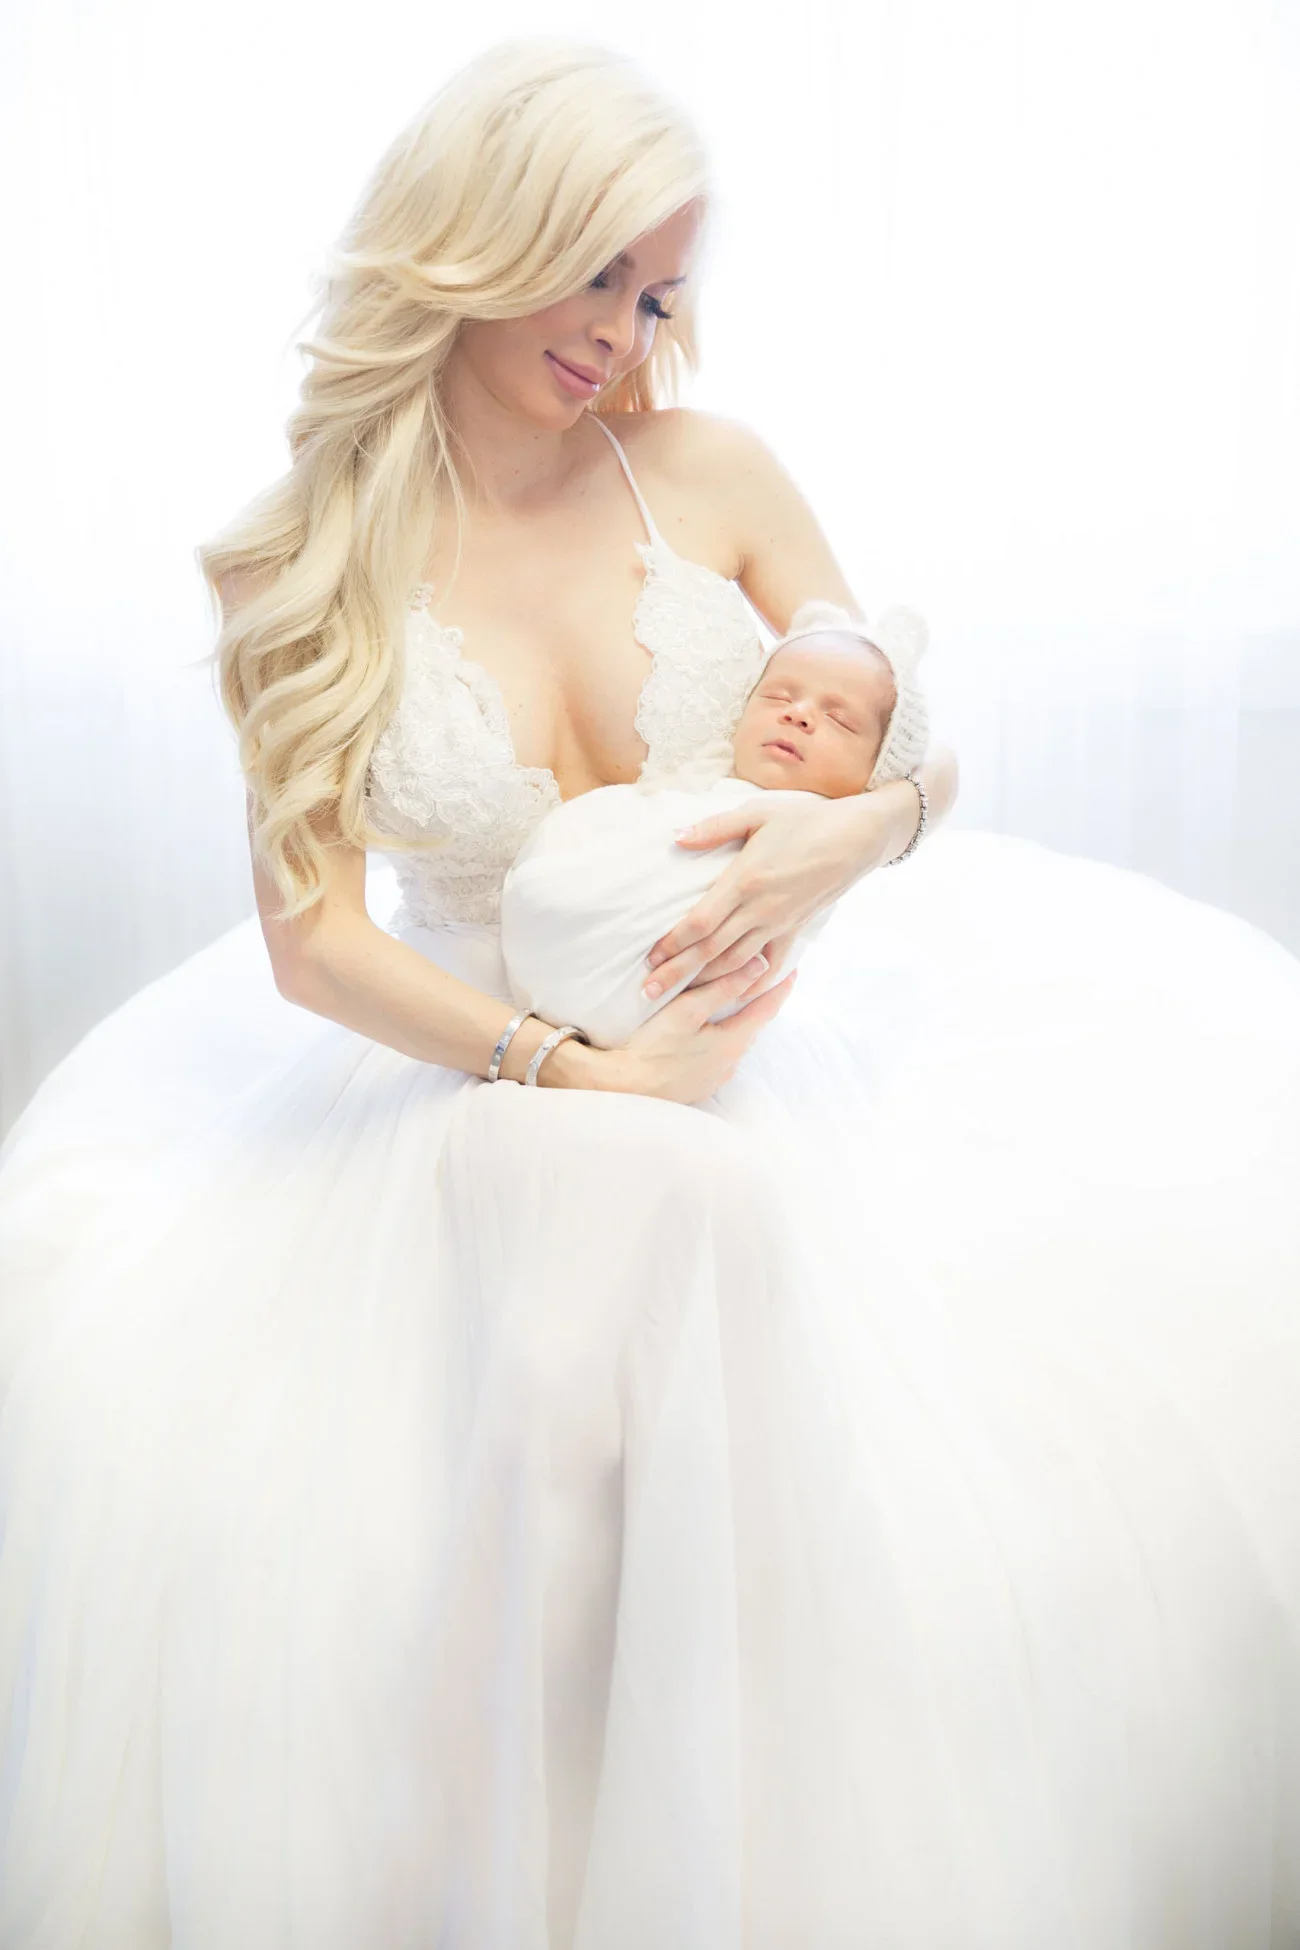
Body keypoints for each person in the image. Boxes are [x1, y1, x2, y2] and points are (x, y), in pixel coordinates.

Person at [2, 33, 1300, 1950]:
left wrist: (847, 843)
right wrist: (564, 1070)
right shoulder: (303, 560)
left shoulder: (713, 472)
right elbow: (313, 941)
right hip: (476, 1061)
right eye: (595, 269)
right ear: (474, 237)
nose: (627, 326)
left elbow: (905, 741)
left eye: (661, 285)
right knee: (643, 1220)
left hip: (769, 1029)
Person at [496, 594, 930, 1048]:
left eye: (839, 720)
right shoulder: (685, 791)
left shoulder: (829, 851)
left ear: (876, 775)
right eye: (778, 696)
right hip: (523, 976)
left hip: (662, 1026)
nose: (797, 714)